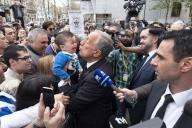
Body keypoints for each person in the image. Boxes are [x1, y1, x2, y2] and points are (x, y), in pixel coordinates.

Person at [115, 29, 192, 128]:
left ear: (186, 64)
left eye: (160, 57)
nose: (152, 62)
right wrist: (134, 93)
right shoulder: (157, 86)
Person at [60, 30, 114, 128]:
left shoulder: (97, 77)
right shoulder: (92, 63)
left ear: (97, 53)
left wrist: (63, 83)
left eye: (88, 41)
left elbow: (74, 104)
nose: (81, 42)